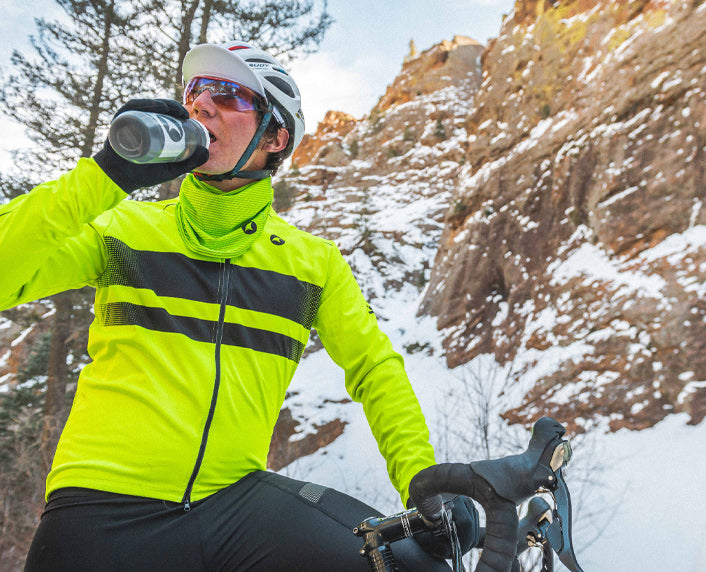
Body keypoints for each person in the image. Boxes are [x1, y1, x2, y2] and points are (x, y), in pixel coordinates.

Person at [1, 41, 477, 570]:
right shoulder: (123, 228)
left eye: (228, 94)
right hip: (99, 505)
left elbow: (375, 370)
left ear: (276, 137)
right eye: (195, 91)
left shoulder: (311, 263)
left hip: (231, 508)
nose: (202, 104)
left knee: (404, 561)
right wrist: (105, 175)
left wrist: (423, 480)